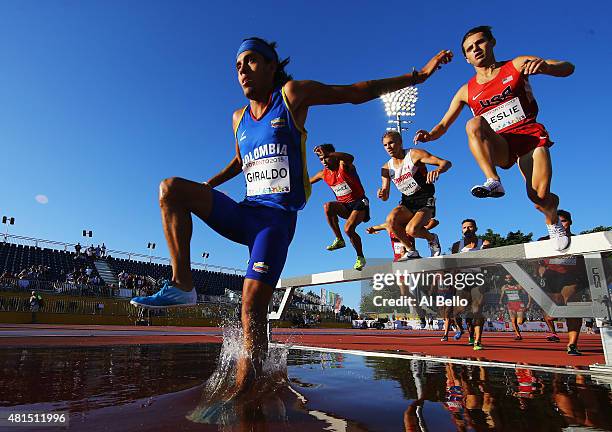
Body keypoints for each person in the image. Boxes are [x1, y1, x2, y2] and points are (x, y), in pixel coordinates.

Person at [130, 36, 453, 393]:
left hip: (276, 221)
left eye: (251, 61)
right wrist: (210, 183)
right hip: (244, 213)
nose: (242, 71)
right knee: (171, 189)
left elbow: (355, 91)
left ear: (272, 66)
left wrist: (416, 76)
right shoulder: (238, 117)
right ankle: (183, 284)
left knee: (251, 306)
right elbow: (240, 161)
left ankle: (245, 393)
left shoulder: (292, 96)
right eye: (238, 65)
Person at [414, 25, 575, 251]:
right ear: (467, 58)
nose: (476, 49)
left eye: (480, 42)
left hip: (528, 137)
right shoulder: (466, 91)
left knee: (539, 198)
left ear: (492, 43)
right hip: (500, 145)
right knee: (474, 123)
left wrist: (547, 66)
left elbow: (568, 67)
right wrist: (429, 135)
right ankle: (493, 181)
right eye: (469, 49)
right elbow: (443, 125)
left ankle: (552, 218)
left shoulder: (517, 64)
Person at [378, 131, 450, 259]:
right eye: (385, 145)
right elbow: (385, 197)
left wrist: (438, 170)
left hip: (425, 198)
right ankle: (411, 250)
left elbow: (446, 163)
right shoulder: (386, 168)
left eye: (391, 143)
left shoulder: (415, 155)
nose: (388, 147)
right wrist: (382, 193)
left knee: (412, 230)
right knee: (390, 221)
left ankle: (432, 238)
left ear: (400, 143)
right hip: (407, 202)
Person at [310, 143, 370, 270]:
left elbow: (350, 157)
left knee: (348, 229)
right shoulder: (323, 174)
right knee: (328, 206)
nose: (324, 161)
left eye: (327, 157)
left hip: (359, 202)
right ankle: (339, 239)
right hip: (344, 207)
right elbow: (306, 182)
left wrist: (329, 153)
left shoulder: (344, 165)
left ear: (334, 156)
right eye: (321, 159)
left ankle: (360, 257)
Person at [537, 209, 584, 355]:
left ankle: (572, 344)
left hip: (572, 279)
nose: (560, 225)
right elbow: (536, 262)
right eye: (556, 222)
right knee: (551, 315)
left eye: (562, 221)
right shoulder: (543, 241)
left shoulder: (580, 241)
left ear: (570, 222)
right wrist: (540, 271)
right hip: (551, 280)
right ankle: (554, 330)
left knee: (572, 306)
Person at [451, 218, 490, 349]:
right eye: (464, 227)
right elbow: (453, 266)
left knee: (477, 309)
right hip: (462, 280)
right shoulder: (457, 245)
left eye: (470, 227)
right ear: (462, 230)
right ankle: (461, 329)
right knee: (458, 311)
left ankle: (478, 341)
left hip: (478, 278)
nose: (467, 229)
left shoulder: (483, 243)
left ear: (476, 228)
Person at [366, 218, 439, 260]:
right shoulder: (389, 226)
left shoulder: (409, 225)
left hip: (412, 258)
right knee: (401, 283)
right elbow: (374, 228)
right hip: (398, 260)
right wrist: (371, 229)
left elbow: (434, 221)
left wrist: (424, 230)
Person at [499, 274, 532, 340]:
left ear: (512, 279)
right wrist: (500, 302)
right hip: (510, 305)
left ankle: (523, 318)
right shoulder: (504, 287)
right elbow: (502, 296)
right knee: (513, 321)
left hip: (519, 304)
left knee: (519, 322)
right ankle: (518, 335)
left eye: (510, 278)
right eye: (507, 278)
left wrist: (529, 303)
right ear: (505, 279)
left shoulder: (518, 286)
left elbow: (529, 293)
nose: (509, 279)